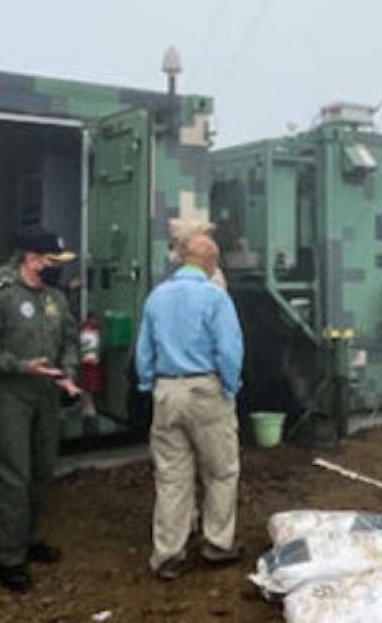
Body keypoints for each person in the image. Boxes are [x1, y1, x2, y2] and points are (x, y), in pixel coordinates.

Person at [0, 228, 81, 593]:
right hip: (10, 395)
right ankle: (11, 559)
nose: (56, 269)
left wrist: (68, 375)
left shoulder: (56, 299)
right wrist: (20, 366)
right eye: (51, 262)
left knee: (43, 469)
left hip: (46, 395)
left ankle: (31, 538)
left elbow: (69, 340)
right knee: (14, 475)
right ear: (31, 259)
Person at [136, 235, 244, 580]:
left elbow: (144, 350)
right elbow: (229, 349)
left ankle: (168, 554)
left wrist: (148, 382)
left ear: (182, 260)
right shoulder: (215, 297)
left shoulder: (157, 296)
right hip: (205, 389)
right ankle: (217, 543)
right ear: (212, 263)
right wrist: (229, 385)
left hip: (166, 391)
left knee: (171, 477)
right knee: (221, 471)